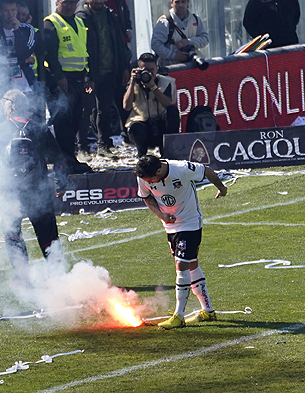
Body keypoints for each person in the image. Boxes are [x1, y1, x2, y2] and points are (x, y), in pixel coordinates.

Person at [135, 155, 227, 329]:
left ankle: (179, 316)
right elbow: (146, 197)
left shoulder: (181, 168)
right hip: (170, 226)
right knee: (191, 264)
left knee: (181, 265)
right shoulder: (143, 176)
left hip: (190, 223)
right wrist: (161, 215)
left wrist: (221, 187)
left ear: (159, 170)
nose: (148, 182)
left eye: (150, 179)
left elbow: (207, 171)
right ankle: (208, 311)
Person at [0, 89, 69, 286]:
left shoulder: (0, 130)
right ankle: (58, 275)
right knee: (48, 236)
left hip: (11, 193)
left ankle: (23, 277)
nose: (3, 109)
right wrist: (61, 183)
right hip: (40, 190)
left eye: (4, 105)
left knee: (12, 235)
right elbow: (59, 159)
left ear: (11, 106)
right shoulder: (39, 128)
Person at [43, 0, 94, 173]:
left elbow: (84, 51)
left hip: (79, 78)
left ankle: (71, 158)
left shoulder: (79, 21)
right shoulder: (51, 23)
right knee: (63, 121)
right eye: (65, 2)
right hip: (62, 80)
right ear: (57, 3)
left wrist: (88, 75)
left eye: (72, 2)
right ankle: (64, 161)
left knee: (76, 120)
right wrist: (59, 77)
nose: (69, 6)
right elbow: (50, 54)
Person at [75, 0, 129, 159]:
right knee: (85, 111)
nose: (98, 1)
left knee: (104, 110)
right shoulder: (81, 17)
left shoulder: (110, 16)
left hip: (109, 71)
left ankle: (103, 145)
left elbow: (120, 44)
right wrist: (86, 74)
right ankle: (82, 147)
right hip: (91, 73)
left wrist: (124, 67)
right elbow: (80, 46)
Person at [122, 52, 179, 158]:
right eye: (145, 70)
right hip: (143, 126)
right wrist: (132, 82)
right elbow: (126, 106)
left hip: (161, 125)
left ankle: (167, 152)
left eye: (151, 70)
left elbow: (168, 104)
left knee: (172, 111)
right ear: (138, 68)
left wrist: (153, 87)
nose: (148, 73)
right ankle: (141, 153)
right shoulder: (134, 83)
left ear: (157, 68)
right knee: (135, 127)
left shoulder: (166, 82)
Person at [0, 0, 45, 94]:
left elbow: (25, 53)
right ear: (0, 12)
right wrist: (23, 61)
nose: (10, 14)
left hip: (27, 86)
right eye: (6, 11)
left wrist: (17, 30)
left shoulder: (27, 29)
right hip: (4, 87)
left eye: (13, 10)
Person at [150, 0, 209, 69]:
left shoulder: (195, 19)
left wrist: (189, 41)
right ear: (171, 3)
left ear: (188, 2)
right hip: (170, 69)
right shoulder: (164, 22)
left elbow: (205, 39)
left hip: (192, 67)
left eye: (183, 1)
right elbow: (155, 44)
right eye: (177, 2)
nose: (180, 5)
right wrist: (174, 56)